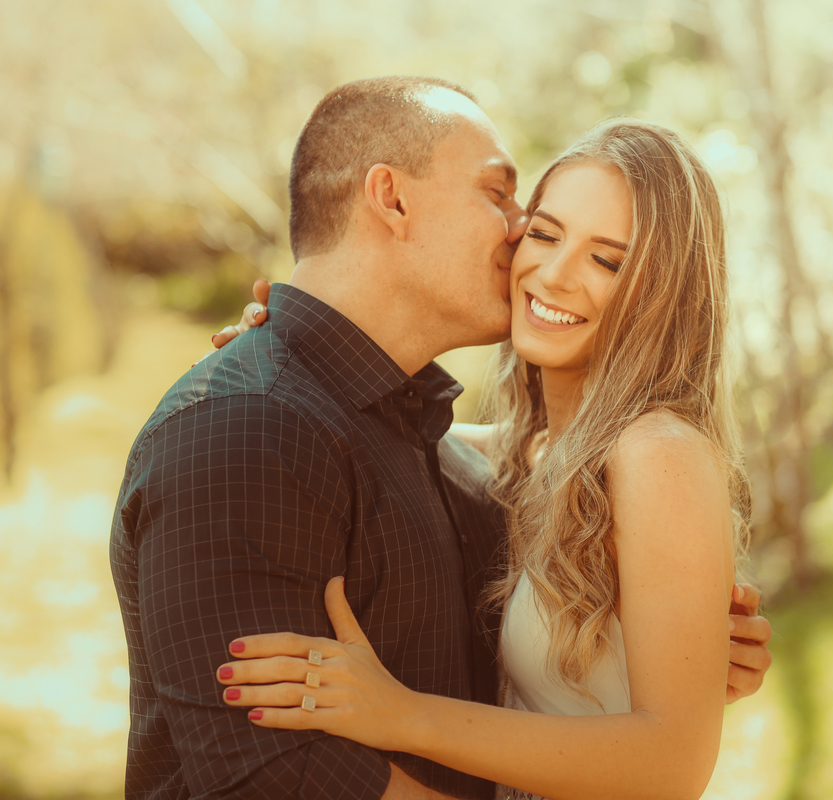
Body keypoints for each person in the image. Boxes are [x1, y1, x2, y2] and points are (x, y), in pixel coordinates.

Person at [111, 76, 770, 800]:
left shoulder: (645, 453)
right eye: (529, 219)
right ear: (391, 198)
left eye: (607, 259)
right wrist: (272, 370)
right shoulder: (504, 454)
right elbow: (264, 777)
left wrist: (403, 716)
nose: (533, 252)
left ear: (660, 291)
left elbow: (670, 758)